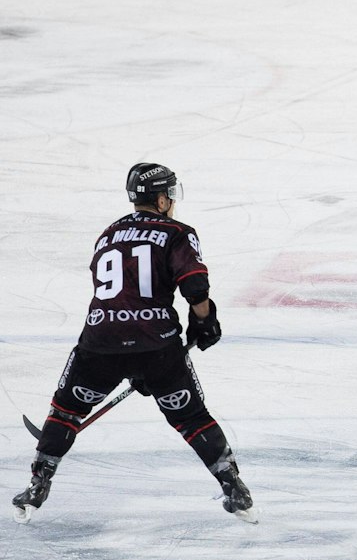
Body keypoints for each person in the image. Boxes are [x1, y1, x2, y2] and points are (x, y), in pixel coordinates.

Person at [13, 163, 254, 524]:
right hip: (157, 345)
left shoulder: (107, 235)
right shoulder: (177, 232)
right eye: (170, 195)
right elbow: (194, 286)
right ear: (160, 199)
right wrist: (204, 321)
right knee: (190, 417)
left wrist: (127, 355)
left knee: (66, 411)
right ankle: (234, 487)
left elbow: (116, 293)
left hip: (99, 344)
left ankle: (38, 483)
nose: (172, 202)